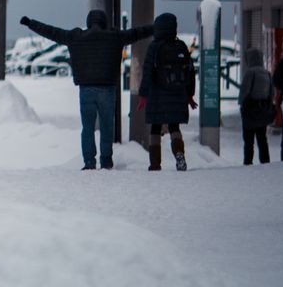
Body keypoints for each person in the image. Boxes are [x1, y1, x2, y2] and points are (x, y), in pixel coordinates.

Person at [21, 9, 152, 170]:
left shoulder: (76, 37)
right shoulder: (115, 37)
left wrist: (30, 23)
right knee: (106, 127)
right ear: (104, 22)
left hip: (86, 89)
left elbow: (52, 32)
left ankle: (89, 162)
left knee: (87, 128)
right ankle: (106, 161)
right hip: (107, 89)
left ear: (89, 22)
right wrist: (156, 27)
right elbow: (138, 33)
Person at [140, 13, 195, 172]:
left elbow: (147, 72)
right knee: (174, 127)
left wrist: (143, 95)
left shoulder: (154, 47)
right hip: (178, 94)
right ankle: (179, 154)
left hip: (157, 95)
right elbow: (191, 72)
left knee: (155, 128)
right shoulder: (182, 46)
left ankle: (155, 164)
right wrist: (190, 95)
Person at [238, 46, 275, 165]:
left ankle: (248, 161)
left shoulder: (250, 72)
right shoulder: (267, 73)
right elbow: (271, 93)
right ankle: (265, 161)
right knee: (262, 139)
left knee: (249, 141)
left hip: (250, 110)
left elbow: (245, 91)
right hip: (263, 109)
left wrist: (242, 104)